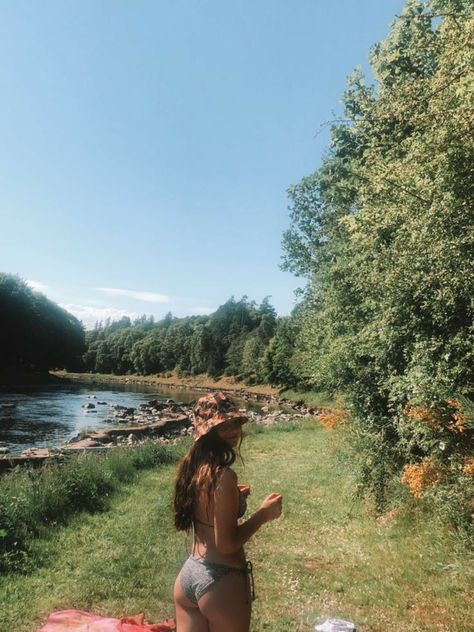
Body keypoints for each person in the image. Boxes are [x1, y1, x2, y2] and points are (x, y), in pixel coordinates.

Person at [173, 392, 283, 632]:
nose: (234, 430)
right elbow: (225, 544)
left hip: (190, 575)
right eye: (225, 425)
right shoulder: (224, 477)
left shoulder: (194, 469)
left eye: (235, 423)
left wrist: (234, 499)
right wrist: (263, 514)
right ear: (209, 432)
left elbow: (206, 511)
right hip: (220, 581)